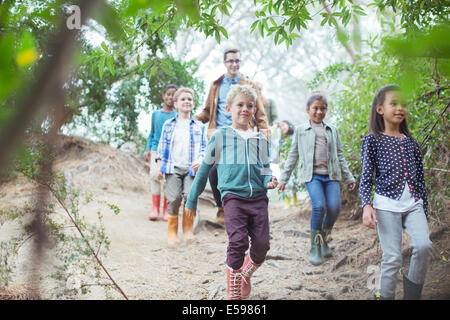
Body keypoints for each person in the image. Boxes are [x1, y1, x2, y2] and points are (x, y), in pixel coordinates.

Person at [185, 85, 278, 300]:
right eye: (240, 105)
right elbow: (205, 170)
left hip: (259, 199)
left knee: (262, 245)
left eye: (250, 105)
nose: (245, 109)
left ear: (255, 110)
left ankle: (245, 273)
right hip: (233, 197)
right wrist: (192, 200)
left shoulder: (260, 140)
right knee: (237, 242)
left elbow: (265, 170)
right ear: (229, 109)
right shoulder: (220, 136)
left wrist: (269, 180)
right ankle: (233, 291)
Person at [360, 84, 432, 300]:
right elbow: (366, 176)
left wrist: (424, 211)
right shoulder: (373, 139)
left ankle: (412, 295)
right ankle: (385, 295)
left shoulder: (411, 142)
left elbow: (420, 180)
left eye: (404, 104)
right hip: (386, 205)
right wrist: (367, 205)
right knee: (392, 258)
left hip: (413, 205)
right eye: (394, 103)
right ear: (380, 109)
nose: (400, 108)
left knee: (423, 245)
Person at [278, 93, 356, 266]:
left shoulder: (332, 130)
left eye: (323, 108)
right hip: (312, 176)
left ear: (326, 110)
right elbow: (293, 156)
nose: (319, 111)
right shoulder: (300, 130)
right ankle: (315, 247)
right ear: (308, 110)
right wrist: (283, 179)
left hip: (331, 176)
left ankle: (323, 239)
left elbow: (340, 155)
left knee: (334, 208)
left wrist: (349, 177)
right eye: (315, 108)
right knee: (319, 206)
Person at [195, 48, 269, 224]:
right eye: (230, 61)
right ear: (224, 63)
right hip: (219, 135)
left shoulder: (250, 85)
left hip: (243, 135)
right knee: (213, 171)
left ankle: (249, 209)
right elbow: (207, 112)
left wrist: (265, 135)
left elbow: (260, 114)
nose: (234, 64)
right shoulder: (216, 85)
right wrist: (192, 121)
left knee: (247, 171)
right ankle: (222, 207)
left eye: (237, 61)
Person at [155, 87, 206, 245]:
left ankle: (188, 230)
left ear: (194, 103)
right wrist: (159, 167)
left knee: (190, 197)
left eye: (189, 99)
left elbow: (204, 148)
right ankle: (172, 232)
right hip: (172, 168)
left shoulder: (199, 126)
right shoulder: (168, 125)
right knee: (174, 198)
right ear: (176, 103)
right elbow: (161, 148)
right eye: (183, 99)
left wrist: (201, 159)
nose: (186, 102)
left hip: (192, 169)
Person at [144, 84, 178, 221]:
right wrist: (147, 149)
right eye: (168, 94)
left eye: (173, 95)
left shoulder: (178, 115)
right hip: (155, 149)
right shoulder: (156, 114)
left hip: (171, 151)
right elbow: (151, 133)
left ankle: (166, 210)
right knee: (154, 176)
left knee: (168, 179)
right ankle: (155, 208)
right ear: (164, 96)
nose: (170, 97)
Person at [277, 120, 298, 209]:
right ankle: (287, 201)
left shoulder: (294, 137)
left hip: (293, 163)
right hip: (283, 164)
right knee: (285, 183)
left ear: (289, 125)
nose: (282, 128)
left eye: (284, 125)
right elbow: (280, 152)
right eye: (280, 127)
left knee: (293, 182)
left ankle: (295, 199)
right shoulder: (281, 140)